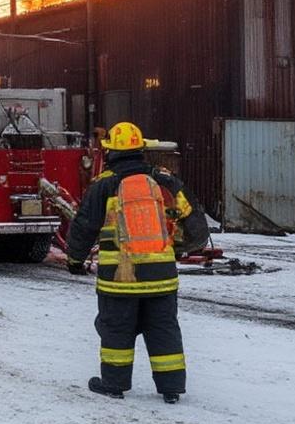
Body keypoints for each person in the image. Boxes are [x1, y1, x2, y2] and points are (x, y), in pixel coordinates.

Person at [65, 121, 207, 404]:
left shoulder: (103, 185)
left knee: (116, 329)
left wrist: (74, 260)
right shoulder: (165, 182)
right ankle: (171, 389)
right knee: (163, 328)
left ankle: (114, 385)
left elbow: (83, 227)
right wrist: (174, 249)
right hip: (162, 278)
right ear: (141, 150)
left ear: (111, 153)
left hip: (120, 279)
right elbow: (198, 231)